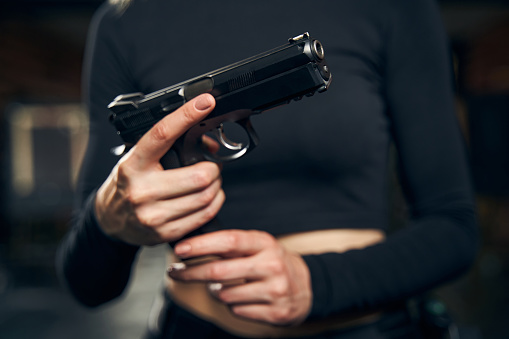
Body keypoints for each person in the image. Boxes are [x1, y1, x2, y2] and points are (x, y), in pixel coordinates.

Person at [56, 0, 479, 338]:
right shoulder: (123, 19)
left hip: (365, 328)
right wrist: (109, 220)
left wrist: (318, 283)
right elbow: (87, 285)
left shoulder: (393, 7)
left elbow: (454, 229)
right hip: (192, 327)